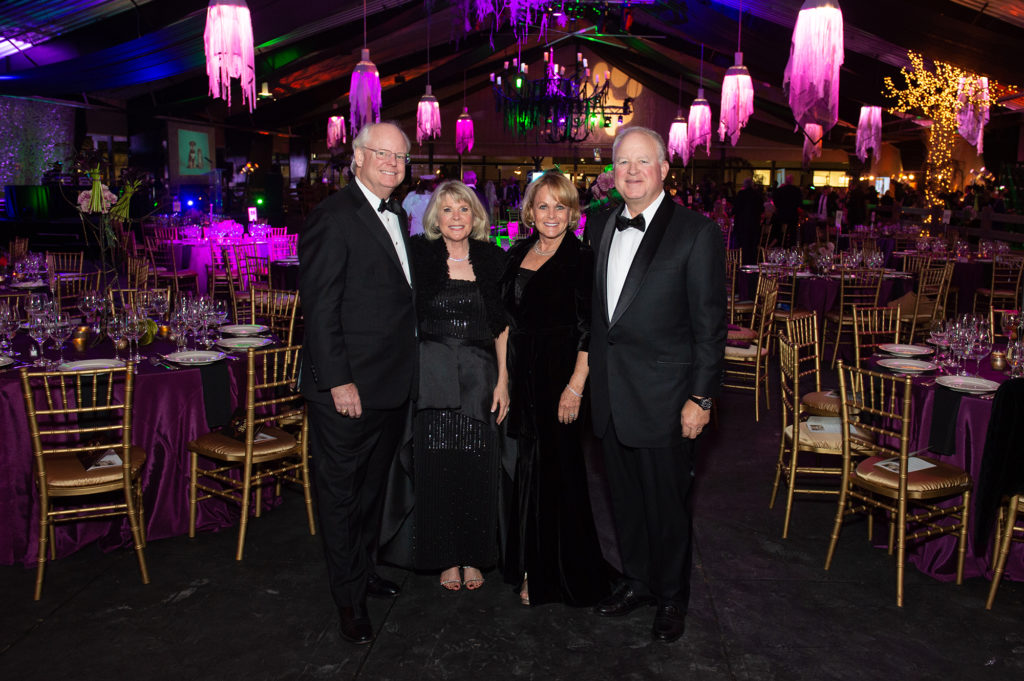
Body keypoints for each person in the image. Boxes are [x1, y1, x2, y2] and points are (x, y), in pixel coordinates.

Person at [588, 126, 726, 643]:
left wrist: (701, 397)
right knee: (624, 502)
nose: (632, 172)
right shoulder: (599, 225)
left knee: (667, 507)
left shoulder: (696, 233)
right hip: (611, 398)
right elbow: (599, 318)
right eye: (623, 163)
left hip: (668, 401)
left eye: (643, 163)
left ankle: (672, 597)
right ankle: (639, 580)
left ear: (665, 170)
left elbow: (709, 328)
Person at [298, 121, 416, 645]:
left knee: (371, 492)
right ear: (359, 157)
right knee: (342, 496)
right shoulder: (334, 216)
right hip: (347, 391)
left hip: (390, 386)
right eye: (383, 154)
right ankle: (348, 601)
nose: (393, 163)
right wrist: (339, 381)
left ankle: (364, 570)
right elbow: (320, 309)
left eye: (401, 156)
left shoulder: (396, 216)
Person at [498, 170, 610, 607]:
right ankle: (527, 562)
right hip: (520, 376)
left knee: (555, 476)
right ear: (529, 210)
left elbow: (590, 331)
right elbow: (505, 323)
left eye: (559, 206)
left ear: (572, 213)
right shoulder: (517, 251)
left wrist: (575, 388)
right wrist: (502, 381)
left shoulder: (581, 258)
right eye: (542, 205)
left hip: (559, 377)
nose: (550, 214)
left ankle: (551, 574)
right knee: (526, 471)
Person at [406, 180, 509, 593]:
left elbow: (502, 327)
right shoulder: (420, 256)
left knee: (477, 465)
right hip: (431, 375)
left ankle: (474, 554)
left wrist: (504, 381)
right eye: (447, 210)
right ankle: (446, 556)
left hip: (481, 377)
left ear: (475, 216)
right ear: (436, 217)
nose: (455, 218)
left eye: (463, 209)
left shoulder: (493, 259)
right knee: (435, 464)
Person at [732, 178, 763, 265]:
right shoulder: (757, 195)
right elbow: (761, 209)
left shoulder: (741, 194)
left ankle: (742, 261)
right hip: (754, 225)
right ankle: (752, 263)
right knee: (752, 246)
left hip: (742, 225)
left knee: (742, 245)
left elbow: (735, 209)